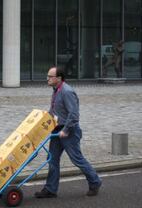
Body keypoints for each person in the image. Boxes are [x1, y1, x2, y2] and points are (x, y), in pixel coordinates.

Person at [35, 66, 102, 198]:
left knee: (76, 159)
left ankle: (95, 181)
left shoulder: (67, 91)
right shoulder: (56, 90)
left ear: (59, 78)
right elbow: (54, 110)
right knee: (52, 159)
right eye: (47, 76)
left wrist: (65, 130)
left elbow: (74, 114)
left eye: (50, 76)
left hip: (69, 131)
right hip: (57, 130)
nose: (47, 79)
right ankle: (50, 189)